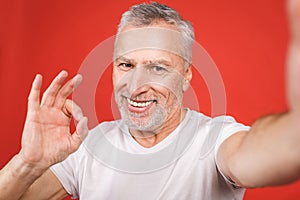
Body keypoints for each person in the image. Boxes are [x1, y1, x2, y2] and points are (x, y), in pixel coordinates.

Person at [0, 1, 299, 199]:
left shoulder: (215, 139)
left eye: (157, 68)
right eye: (126, 65)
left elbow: (266, 153)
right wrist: (27, 163)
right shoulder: (90, 145)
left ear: (186, 76)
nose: (136, 86)